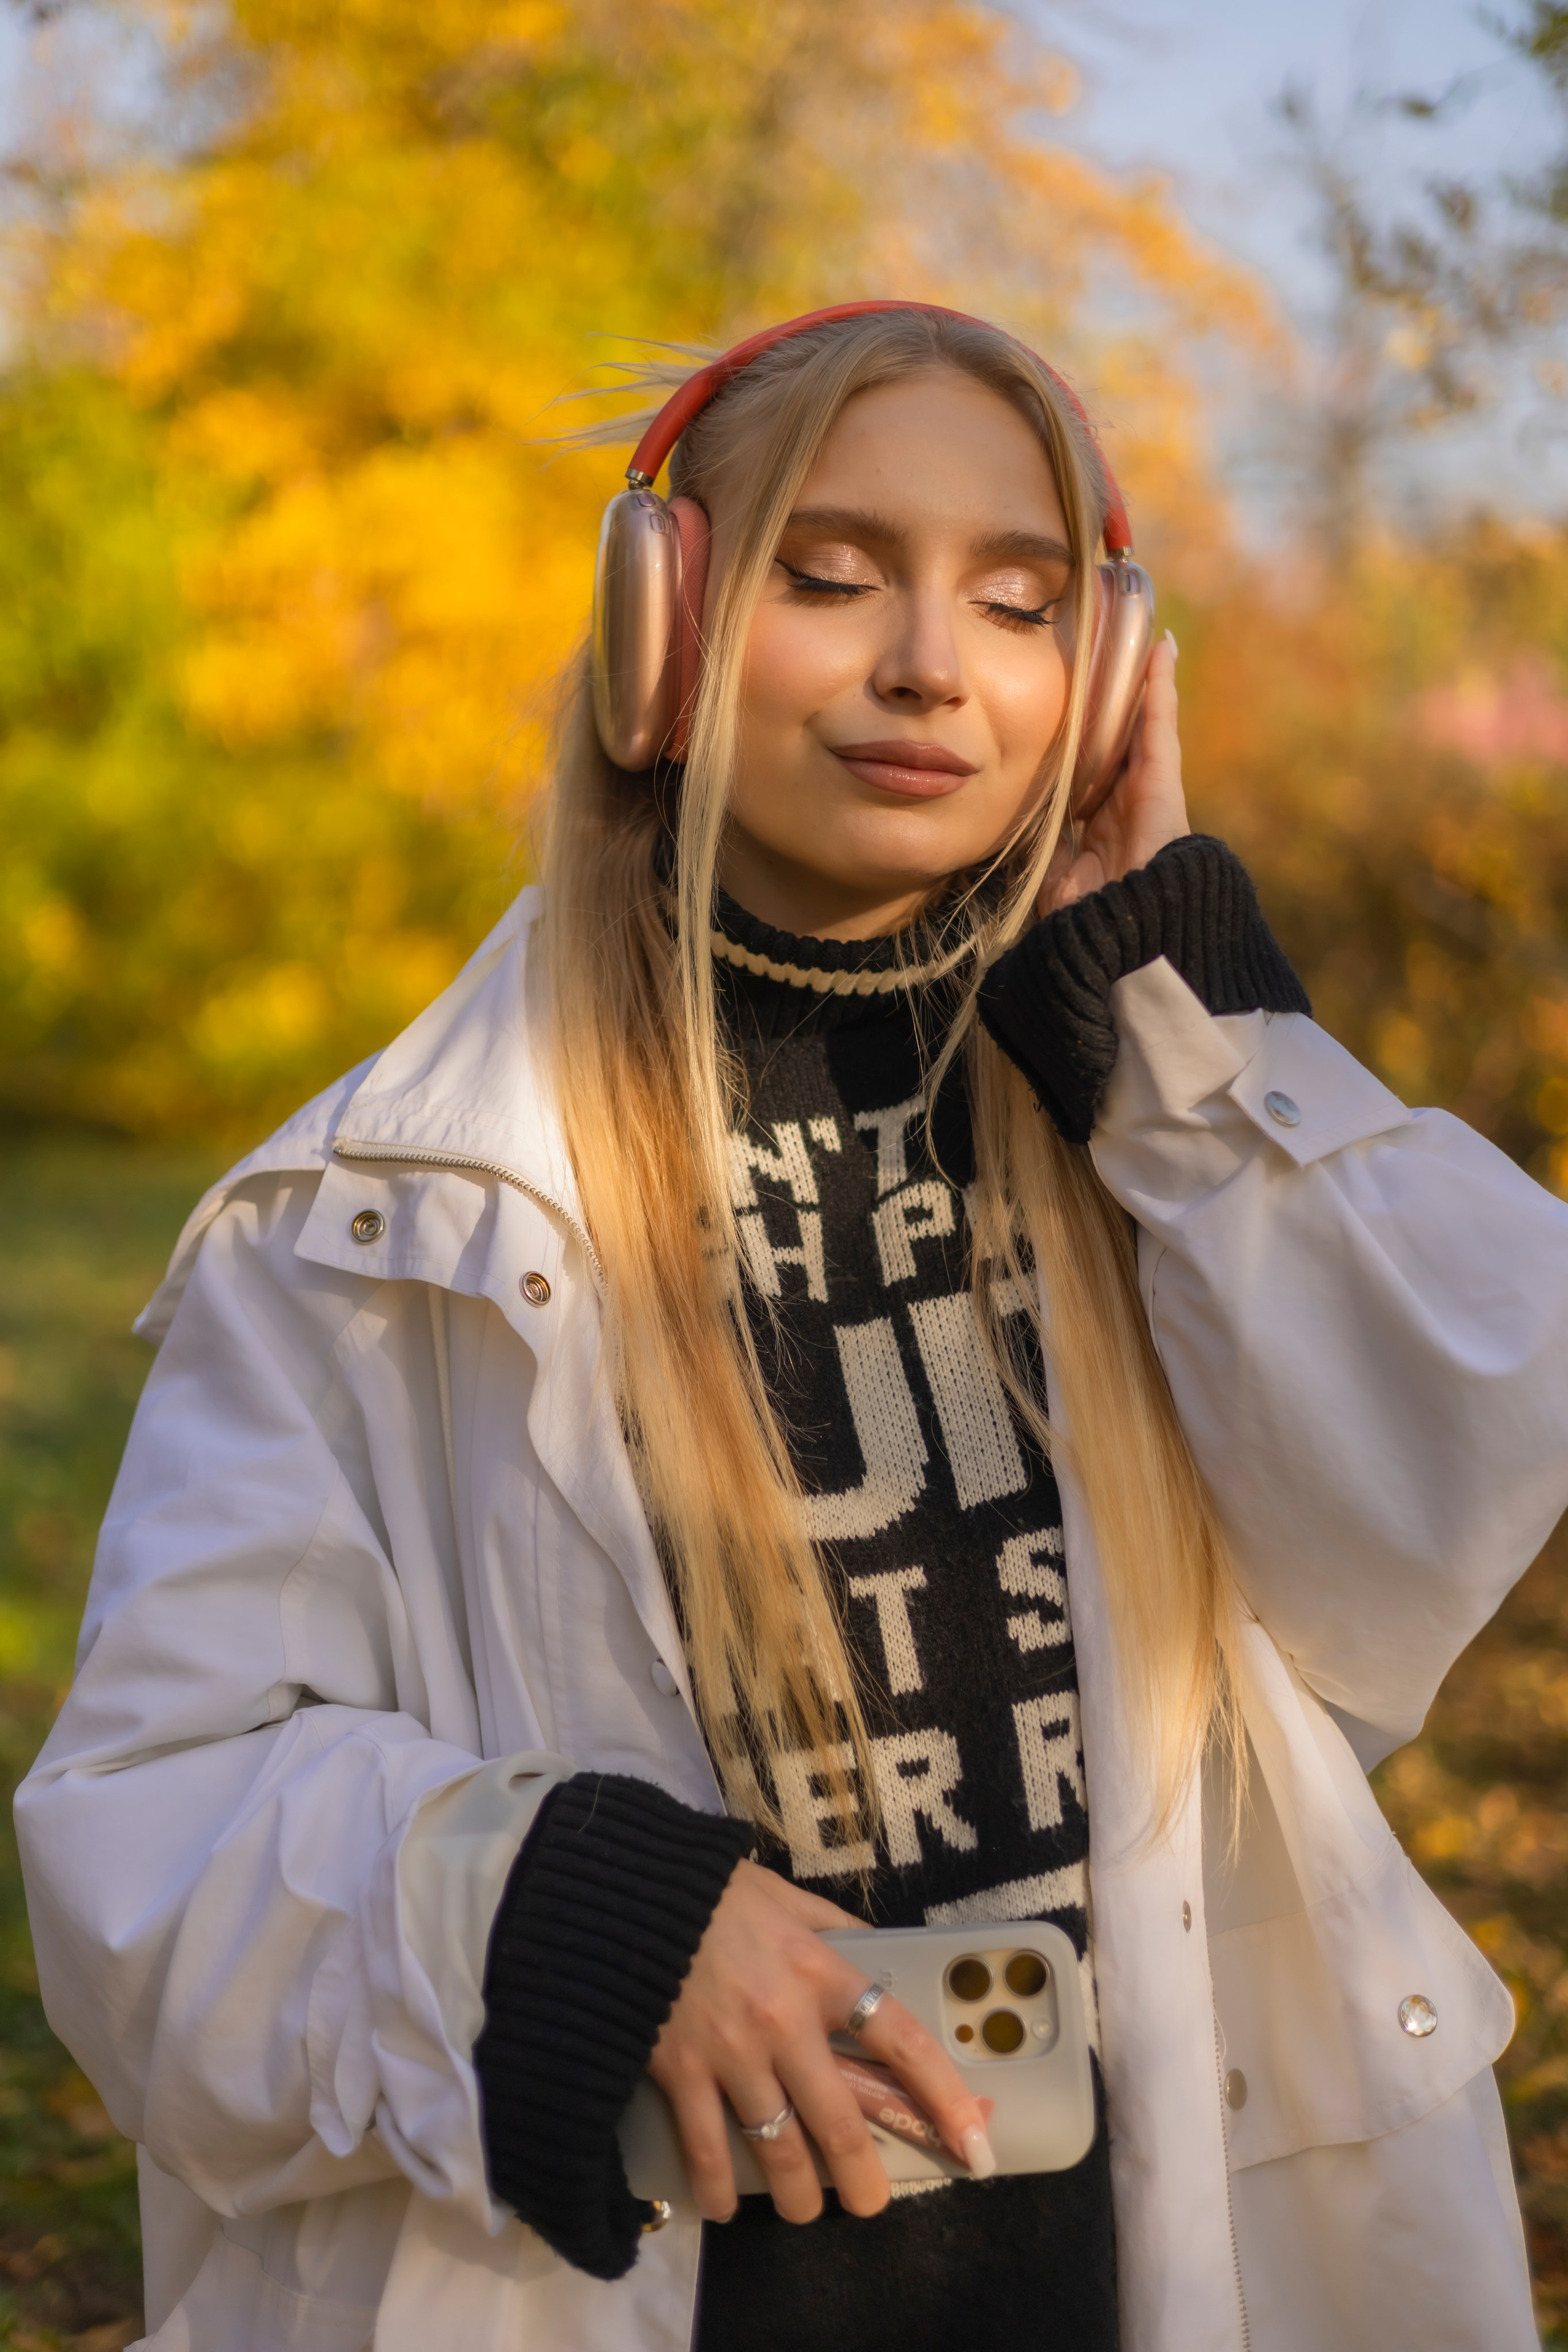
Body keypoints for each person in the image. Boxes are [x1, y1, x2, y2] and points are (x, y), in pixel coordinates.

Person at [16, 304, 1565, 2352]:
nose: (930, 663)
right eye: (828, 578)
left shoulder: (1158, 1144)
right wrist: (565, 1914)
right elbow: (148, 1851)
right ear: (659, 634)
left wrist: (1182, 1014)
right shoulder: (381, 1227)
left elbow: (1464, 1448)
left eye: (1021, 605)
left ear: (1105, 678)